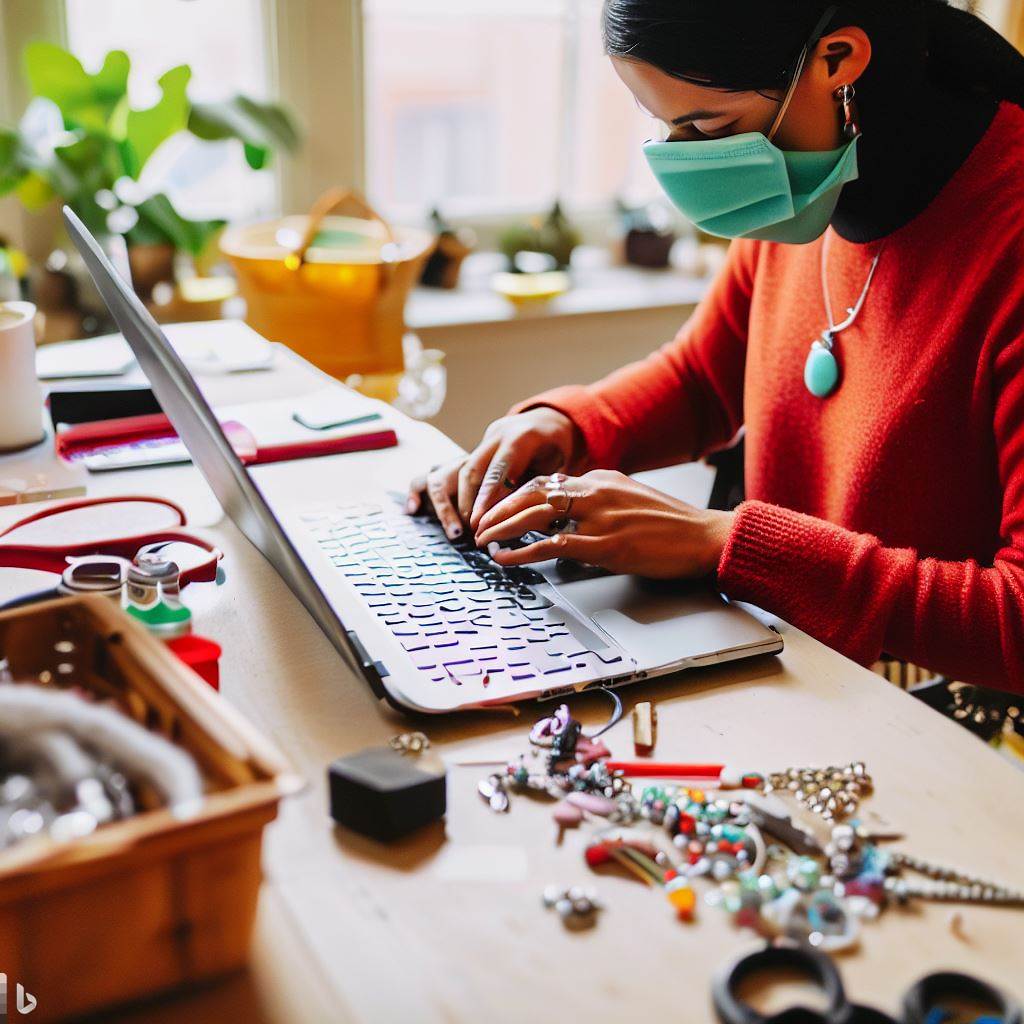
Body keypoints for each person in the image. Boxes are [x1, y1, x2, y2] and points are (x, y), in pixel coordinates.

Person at [407, 0, 1024, 693]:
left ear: (837, 60)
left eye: (707, 126)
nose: (688, 163)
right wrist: (565, 425)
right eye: (667, 128)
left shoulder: (1006, 235)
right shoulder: (812, 184)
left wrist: (723, 543)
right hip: (807, 671)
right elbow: (705, 376)